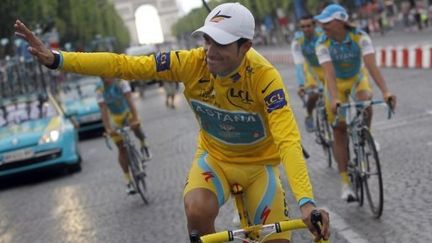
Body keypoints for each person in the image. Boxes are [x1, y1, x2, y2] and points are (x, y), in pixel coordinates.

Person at [14, 3, 330, 242]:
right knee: (196, 209)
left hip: (260, 166)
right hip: (215, 160)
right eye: (208, 40)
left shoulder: (265, 78)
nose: (210, 51)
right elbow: (123, 65)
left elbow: (288, 139)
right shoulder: (189, 62)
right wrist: (58, 59)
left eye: (221, 44)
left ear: (245, 47)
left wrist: (307, 202)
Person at [314, 4, 397, 201]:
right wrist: (334, 98)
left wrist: (386, 91)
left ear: (341, 21)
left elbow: (371, 65)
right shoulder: (322, 43)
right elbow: (329, 74)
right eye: (322, 21)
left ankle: (366, 133)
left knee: (366, 100)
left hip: (357, 78)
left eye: (327, 21)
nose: (322, 24)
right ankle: (345, 184)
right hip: (337, 84)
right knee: (339, 130)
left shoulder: (361, 37)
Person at [97, 77, 152, 194]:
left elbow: (129, 100)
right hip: (115, 118)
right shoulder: (99, 89)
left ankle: (144, 143)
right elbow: (103, 110)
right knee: (121, 148)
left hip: (127, 112)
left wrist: (135, 118)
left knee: (136, 127)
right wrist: (108, 128)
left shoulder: (120, 81)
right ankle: (128, 180)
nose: (104, 77)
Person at [291, 15, 325, 133]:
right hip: (311, 69)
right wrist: (301, 85)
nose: (306, 29)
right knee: (314, 94)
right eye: (302, 27)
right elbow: (298, 64)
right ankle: (309, 115)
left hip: (326, 67)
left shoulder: (323, 35)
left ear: (314, 26)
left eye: (308, 26)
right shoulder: (297, 41)